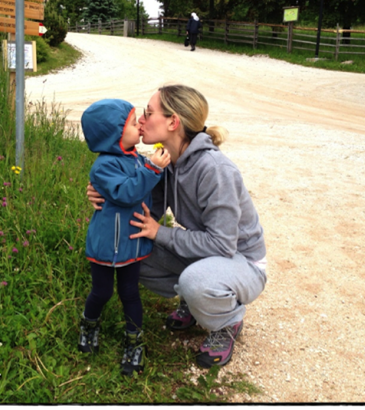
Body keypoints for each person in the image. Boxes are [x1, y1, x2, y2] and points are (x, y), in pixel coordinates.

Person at [87, 85, 267, 369]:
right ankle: (195, 305)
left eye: (148, 113)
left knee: (194, 281)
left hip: (242, 262)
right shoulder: (165, 162)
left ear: (173, 122)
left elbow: (222, 244)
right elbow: (143, 209)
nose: (141, 121)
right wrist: (106, 193)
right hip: (209, 254)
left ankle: (227, 321)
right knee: (130, 253)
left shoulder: (215, 170)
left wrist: (161, 233)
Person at [79, 98, 171, 376]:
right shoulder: (103, 167)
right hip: (105, 247)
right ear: (114, 134)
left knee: (130, 293)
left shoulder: (136, 159)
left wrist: (153, 166)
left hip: (131, 245)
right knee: (102, 291)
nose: (140, 124)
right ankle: (88, 324)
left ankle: (134, 342)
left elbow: (146, 185)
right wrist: (152, 169)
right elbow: (125, 193)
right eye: (133, 122)